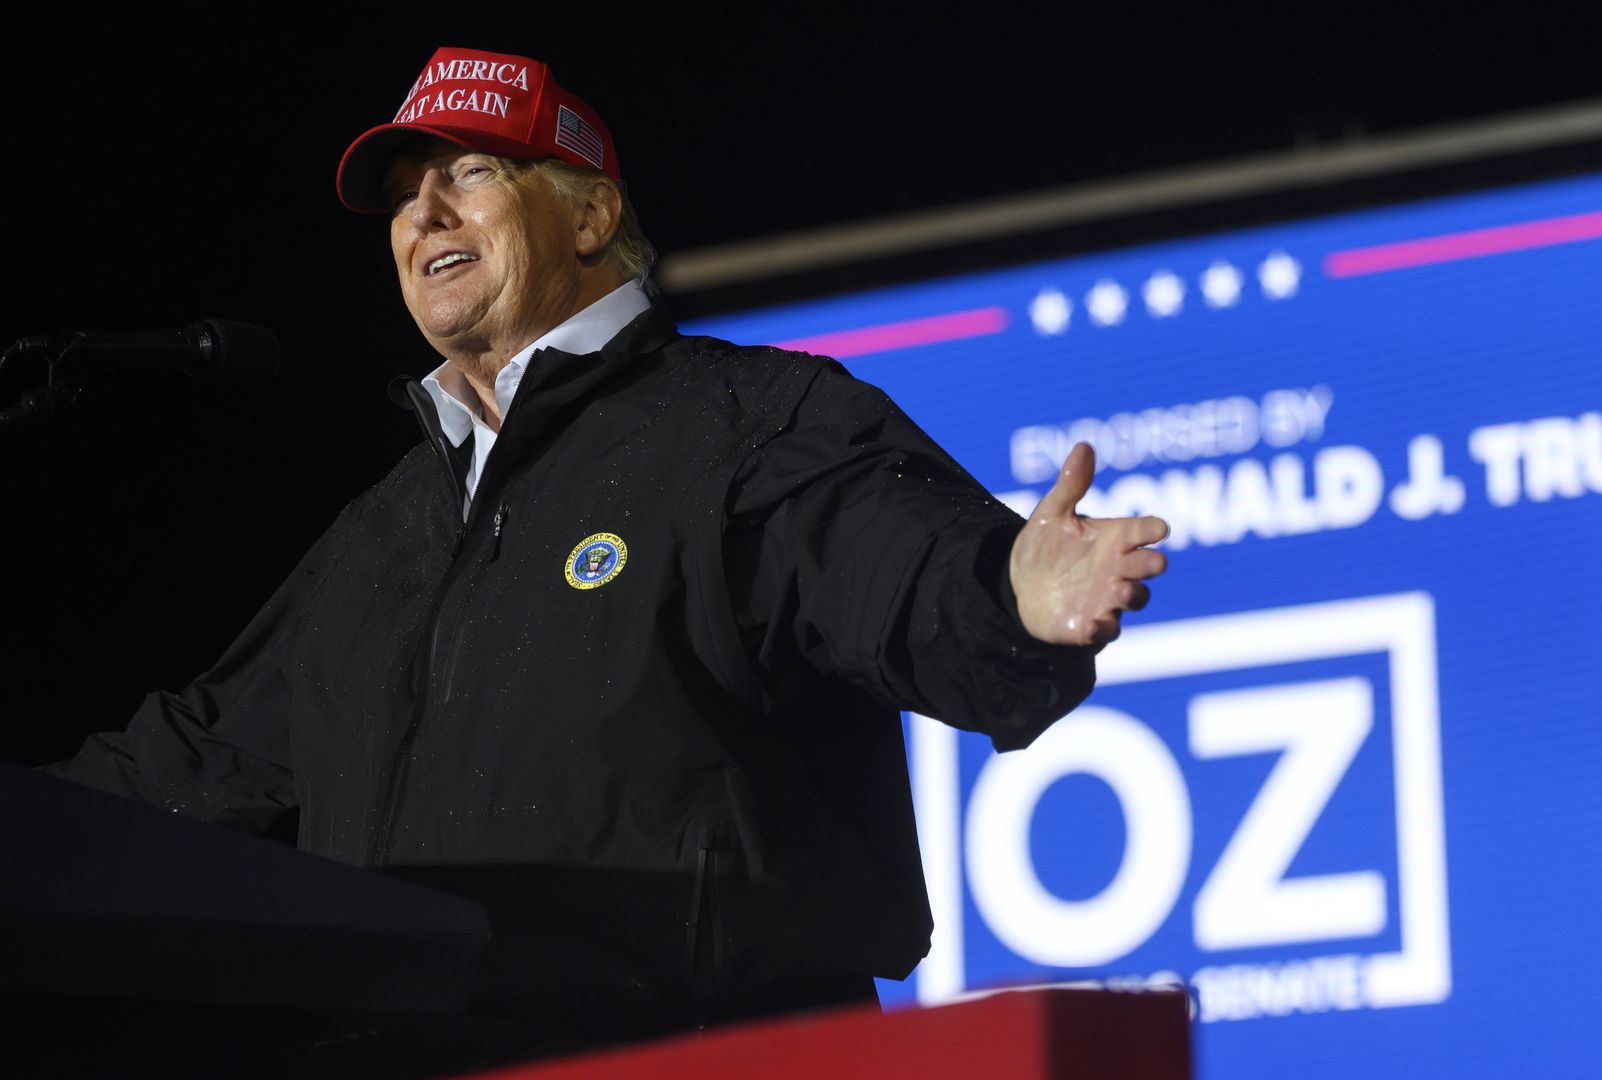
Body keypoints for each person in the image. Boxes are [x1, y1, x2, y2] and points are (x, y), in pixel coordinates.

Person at [44, 45, 1168, 1064]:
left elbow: (900, 575)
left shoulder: (748, 422)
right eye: (400, 196)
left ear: (590, 218)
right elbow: (194, 758)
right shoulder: (382, 531)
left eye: (473, 172)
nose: (423, 210)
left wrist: (1006, 595)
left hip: (684, 1052)